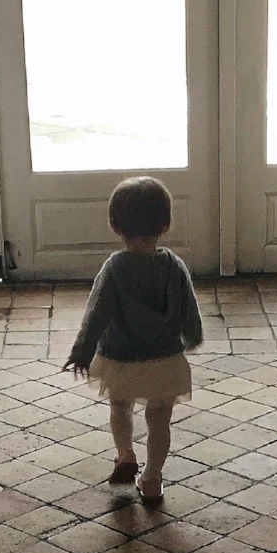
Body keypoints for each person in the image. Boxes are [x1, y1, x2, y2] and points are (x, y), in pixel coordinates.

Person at [64, 176, 203, 504]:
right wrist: (193, 336)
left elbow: (96, 314)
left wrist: (82, 352)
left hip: (120, 359)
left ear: (115, 225)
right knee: (159, 419)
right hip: (165, 360)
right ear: (166, 224)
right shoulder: (174, 267)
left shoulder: (114, 269)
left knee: (120, 406)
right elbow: (189, 308)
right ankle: (152, 478)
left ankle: (125, 452)